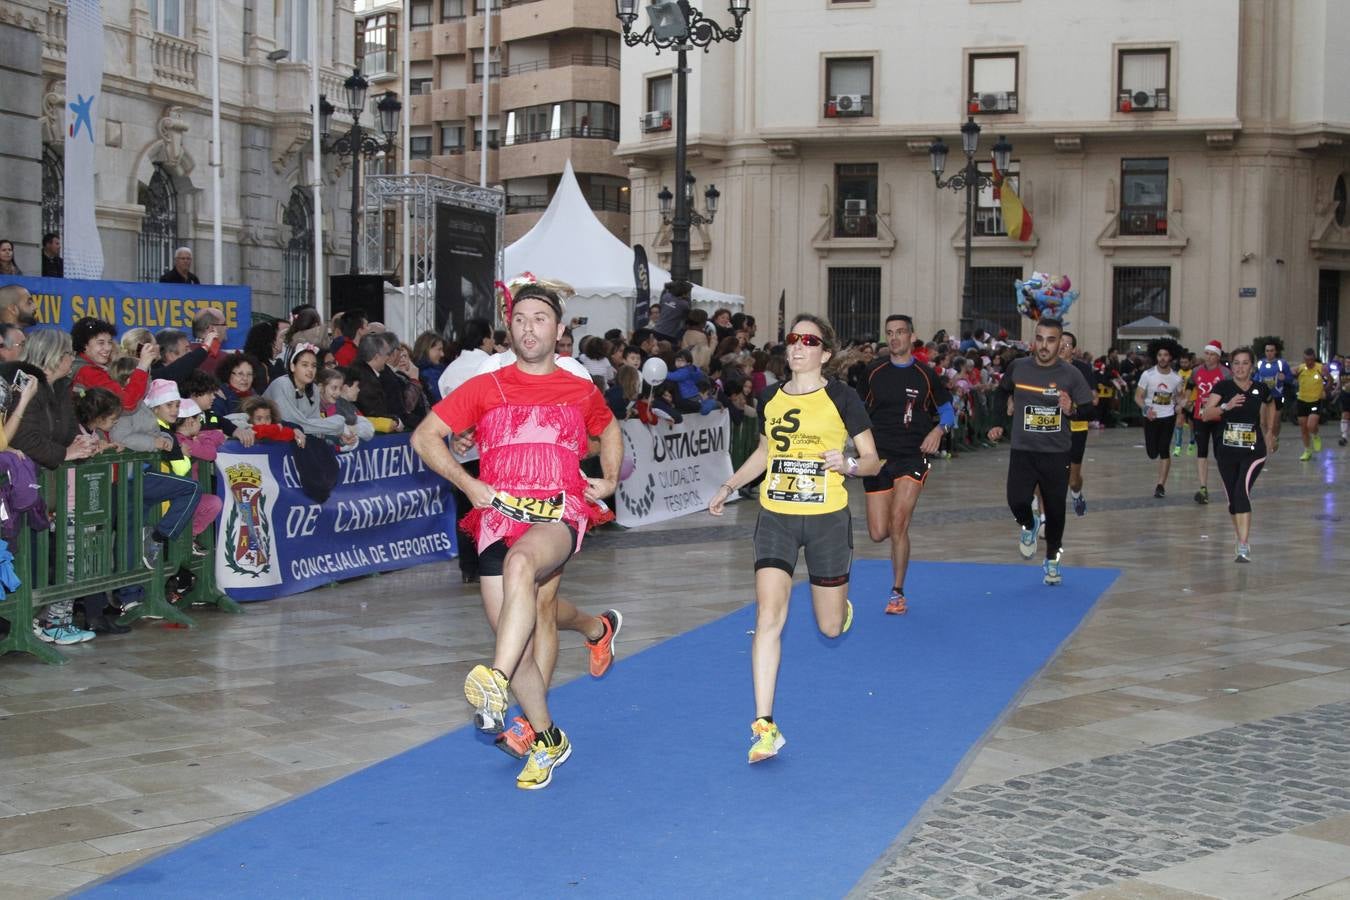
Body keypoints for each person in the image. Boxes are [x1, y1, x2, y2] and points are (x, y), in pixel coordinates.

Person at [411, 284, 622, 790]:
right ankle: (549, 741)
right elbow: (424, 436)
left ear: (559, 329)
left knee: (522, 567)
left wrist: (609, 479)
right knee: (522, 644)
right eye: (521, 319)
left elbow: (610, 428)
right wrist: (468, 483)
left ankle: (494, 682)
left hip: (558, 513)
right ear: (511, 329)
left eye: (541, 319)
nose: (530, 328)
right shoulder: (486, 385)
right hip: (496, 517)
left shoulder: (578, 387)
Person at [708, 313, 880, 763]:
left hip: (826, 519)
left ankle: (840, 609)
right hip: (777, 516)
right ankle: (764, 726)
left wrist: (847, 464)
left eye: (809, 340)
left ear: (825, 352)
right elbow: (765, 453)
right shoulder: (769, 398)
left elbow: (873, 461)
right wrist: (728, 486)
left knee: (828, 626)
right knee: (769, 617)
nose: (798, 346)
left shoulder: (842, 397)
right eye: (792, 339)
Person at [986, 318, 1095, 586]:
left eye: (1051, 340)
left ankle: (1053, 560)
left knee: (1056, 511)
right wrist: (998, 421)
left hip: (1057, 453)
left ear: (1060, 343)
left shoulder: (1071, 374)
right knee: (1016, 500)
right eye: (1040, 339)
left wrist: (1072, 410)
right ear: (1034, 340)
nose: (1044, 345)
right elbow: (1001, 393)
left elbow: (1091, 409)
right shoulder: (1018, 367)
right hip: (1023, 449)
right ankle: (1029, 525)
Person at [860, 315, 953, 615]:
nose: (895, 338)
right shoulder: (873, 371)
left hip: (913, 455)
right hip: (878, 458)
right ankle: (894, 550)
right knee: (878, 532)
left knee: (899, 525)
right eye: (890, 333)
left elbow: (948, 410)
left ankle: (897, 593)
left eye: (901, 332)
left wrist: (938, 431)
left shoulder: (926, 374)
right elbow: (857, 410)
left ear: (912, 336)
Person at [1201, 347, 1274, 562]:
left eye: (1245, 363)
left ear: (1252, 366)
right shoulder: (1223, 387)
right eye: (1236, 363)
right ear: (1230, 367)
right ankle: (1239, 537)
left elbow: (1272, 404)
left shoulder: (1261, 388)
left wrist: (1270, 431)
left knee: (1242, 493)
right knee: (1233, 500)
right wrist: (1226, 406)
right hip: (1226, 452)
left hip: (1253, 452)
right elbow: (1206, 414)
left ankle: (1243, 544)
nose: (1240, 367)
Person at [262, 344, 358, 447]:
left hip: (300, 441)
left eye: (313, 366)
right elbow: (294, 423)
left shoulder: (314, 390)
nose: (310, 370)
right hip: (269, 441)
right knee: (338, 420)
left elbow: (314, 429)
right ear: (292, 366)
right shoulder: (282, 384)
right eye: (305, 365)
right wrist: (336, 426)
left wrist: (338, 437)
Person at [1134, 338, 1185, 498]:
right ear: (1155, 357)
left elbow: (1179, 397)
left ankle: (1160, 485)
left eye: (1166, 355)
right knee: (1152, 452)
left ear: (1171, 357)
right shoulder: (1147, 375)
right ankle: (1155, 459)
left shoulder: (1177, 378)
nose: (1163, 358)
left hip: (1167, 416)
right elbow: (1138, 397)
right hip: (1151, 417)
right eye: (1160, 355)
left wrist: (1180, 406)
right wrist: (1146, 409)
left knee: (1164, 449)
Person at [70, 316, 156, 410]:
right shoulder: (88, 372)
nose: (108, 348)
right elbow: (126, 403)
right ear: (84, 345)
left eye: (110, 342)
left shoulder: (78, 366)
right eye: (101, 343)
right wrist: (142, 366)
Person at [1059, 331, 1098, 516]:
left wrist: (1077, 404)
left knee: (1072, 479)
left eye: (1066, 345)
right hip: (1051, 427)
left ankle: (1076, 493)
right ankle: (1041, 515)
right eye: (1059, 343)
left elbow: (1092, 399)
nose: (1061, 347)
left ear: (1073, 350)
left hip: (1076, 426)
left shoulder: (1082, 369)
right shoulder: (1045, 367)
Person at [1186, 341, 1229, 504]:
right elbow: (1190, 386)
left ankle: (1228, 483)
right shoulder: (1196, 371)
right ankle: (1203, 487)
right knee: (1202, 451)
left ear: (1218, 356)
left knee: (1221, 452)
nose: (1209, 357)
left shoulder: (1225, 373)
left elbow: (1231, 392)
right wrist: (1187, 400)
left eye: (1212, 354)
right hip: (1201, 417)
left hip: (1219, 417)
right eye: (1207, 354)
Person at [1292, 348, 1328, 461]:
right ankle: (1307, 450)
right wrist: (1292, 373)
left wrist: (1324, 390)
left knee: (1311, 425)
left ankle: (1315, 435)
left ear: (1314, 358)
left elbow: (1330, 380)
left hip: (1315, 401)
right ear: (1304, 359)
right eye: (1306, 360)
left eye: (1311, 359)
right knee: (1303, 428)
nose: (1309, 362)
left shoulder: (1320, 368)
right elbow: (1291, 375)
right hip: (1302, 401)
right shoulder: (1300, 368)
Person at [1255, 339, 1293, 450]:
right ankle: (1267, 439)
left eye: (1271, 350)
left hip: (1277, 396)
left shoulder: (1282, 363)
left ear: (1275, 351)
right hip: (1263, 397)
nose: (1269, 353)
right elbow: (1256, 377)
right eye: (1267, 351)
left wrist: (1284, 378)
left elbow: (1290, 378)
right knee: (1262, 422)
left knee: (1275, 421)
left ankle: (1275, 437)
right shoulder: (1260, 363)